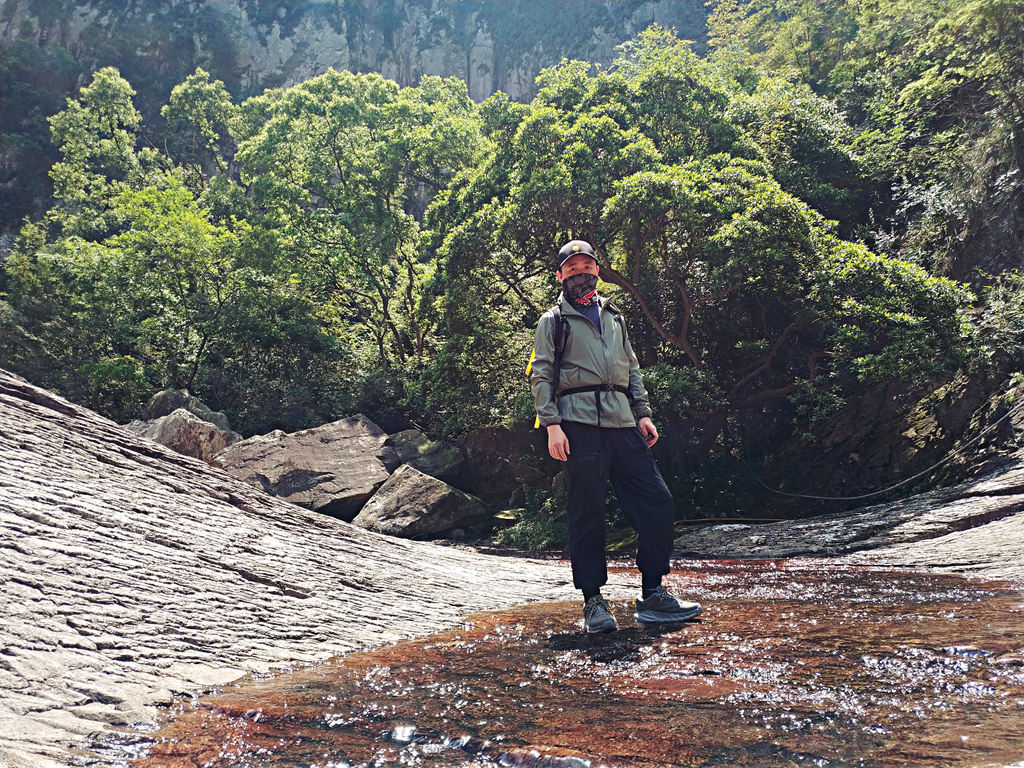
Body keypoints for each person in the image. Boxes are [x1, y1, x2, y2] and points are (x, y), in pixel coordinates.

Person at [529, 239, 702, 633]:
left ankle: (653, 593)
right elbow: (541, 375)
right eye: (572, 269)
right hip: (576, 425)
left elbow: (632, 367)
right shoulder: (552, 321)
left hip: (623, 423)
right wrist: (552, 425)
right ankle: (593, 602)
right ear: (560, 276)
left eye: (586, 266)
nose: (580, 273)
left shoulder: (614, 315)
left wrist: (642, 412)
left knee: (657, 501)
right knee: (587, 512)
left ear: (597, 271)